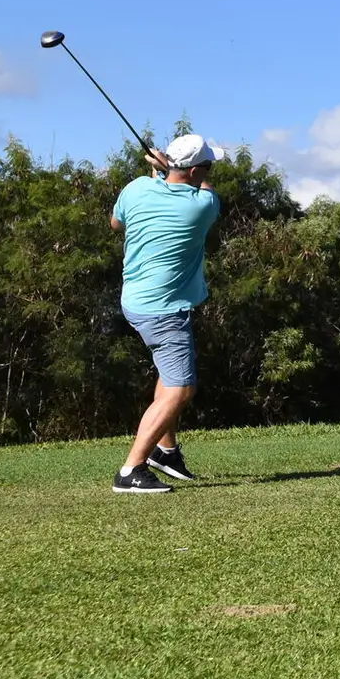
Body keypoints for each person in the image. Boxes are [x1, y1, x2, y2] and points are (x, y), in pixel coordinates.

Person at [109, 133, 227, 494]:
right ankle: (131, 470)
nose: (209, 172)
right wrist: (169, 170)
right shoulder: (203, 204)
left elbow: (116, 225)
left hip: (135, 300)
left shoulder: (135, 189)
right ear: (195, 170)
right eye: (207, 166)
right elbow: (203, 188)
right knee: (181, 388)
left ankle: (166, 450)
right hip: (164, 310)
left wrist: (162, 174)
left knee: (168, 373)